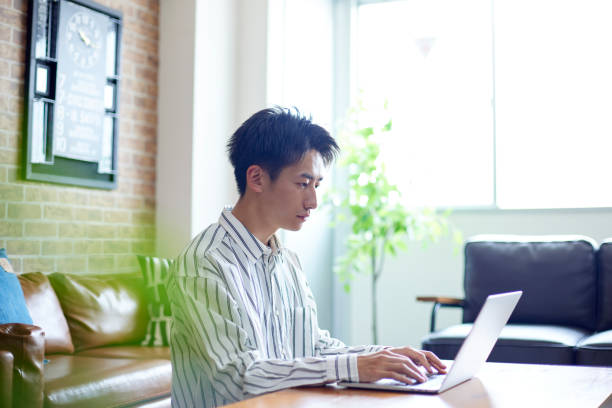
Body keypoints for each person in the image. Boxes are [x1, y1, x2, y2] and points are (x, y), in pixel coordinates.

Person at [168, 107, 446, 408]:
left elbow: (313, 347)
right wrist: (355, 367)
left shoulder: (287, 262)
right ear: (257, 178)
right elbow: (237, 378)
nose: (312, 201)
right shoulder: (205, 264)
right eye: (303, 183)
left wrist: (383, 356)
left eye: (316, 185)